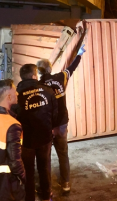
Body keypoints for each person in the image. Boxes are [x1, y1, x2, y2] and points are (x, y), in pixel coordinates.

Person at [36, 42, 86, 193]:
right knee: (63, 153)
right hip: (62, 124)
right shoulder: (60, 78)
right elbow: (72, 67)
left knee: (45, 157)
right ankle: (65, 183)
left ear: (38, 71)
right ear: (50, 68)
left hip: (47, 126)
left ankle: (47, 187)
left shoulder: (38, 85)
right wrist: (80, 53)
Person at [15, 63, 59, 201]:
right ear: (34, 75)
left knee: (27, 173)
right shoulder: (47, 90)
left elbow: (14, 118)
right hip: (45, 138)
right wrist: (49, 128)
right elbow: (55, 112)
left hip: (26, 140)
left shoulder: (16, 94)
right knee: (44, 167)